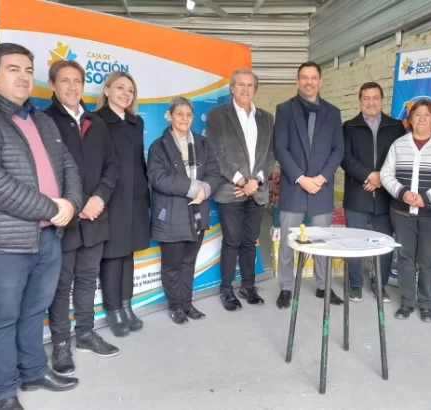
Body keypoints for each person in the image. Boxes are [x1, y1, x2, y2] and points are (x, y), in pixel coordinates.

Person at [0, 43, 83, 410]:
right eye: (13, 69)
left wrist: (72, 203)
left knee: (34, 311)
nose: (23, 77)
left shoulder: (40, 119)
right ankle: (3, 392)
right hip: (1, 244)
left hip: (47, 236)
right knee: (1, 318)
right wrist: (51, 208)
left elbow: (68, 166)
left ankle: (34, 371)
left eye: (28, 70)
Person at [44, 60, 120, 377]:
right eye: (65, 81)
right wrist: (78, 204)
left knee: (88, 278)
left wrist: (99, 198)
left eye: (77, 81)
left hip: (96, 216)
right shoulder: (44, 121)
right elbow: (45, 174)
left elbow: (112, 165)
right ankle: (61, 344)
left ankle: (86, 334)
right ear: (52, 85)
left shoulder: (95, 122)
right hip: (64, 219)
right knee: (62, 285)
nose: (73, 87)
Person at [272, 61, 345, 309]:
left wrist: (322, 177)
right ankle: (285, 287)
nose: (309, 82)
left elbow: (338, 149)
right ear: (297, 81)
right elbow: (280, 148)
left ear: (320, 81)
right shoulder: (284, 110)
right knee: (288, 241)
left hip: (321, 188)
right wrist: (301, 178)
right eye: (304, 77)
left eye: (313, 78)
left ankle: (323, 286)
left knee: (322, 240)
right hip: (294, 186)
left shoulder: (333, 112)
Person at [380, 99, 431, 322]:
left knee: (428, 259)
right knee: (405, 257)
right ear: (410, 119)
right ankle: (407, 302)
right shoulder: (399, 144)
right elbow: (386, 174)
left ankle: (426, 303)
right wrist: (403, 193)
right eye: (417, 114)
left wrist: (427, 198)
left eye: (427, 115)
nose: (421, 119)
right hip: (402, 213)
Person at [147, 96, 220, 324]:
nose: (185, 119)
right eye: (179, 114)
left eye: (189, 115)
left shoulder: (202, 143)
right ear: (169, 116)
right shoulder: (158, 146)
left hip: (197, 213)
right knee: (172, 266)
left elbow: (214, 172)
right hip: (171, 215)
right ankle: (175, 306)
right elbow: (158, 178)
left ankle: (187, 304)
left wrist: (205, 190)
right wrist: (193, 188)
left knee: (189, 262)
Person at [208, 69, 275, 311]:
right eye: (240, 85)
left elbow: (271, 154)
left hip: (257, 190)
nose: (245, 89)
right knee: (232, 241)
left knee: (249, 242)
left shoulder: (266, 118)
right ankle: (226, 290)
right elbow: (217, 154)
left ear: (254, 89)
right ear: (232, 88)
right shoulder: (218, 115)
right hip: (231, 191)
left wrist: (256, 180)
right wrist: (241, 181)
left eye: (249, 85)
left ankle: (248, 286)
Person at [94, 72, 151, 337]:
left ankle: (127, 306)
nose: (126, 94)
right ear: (107, 90)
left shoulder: (136, 122)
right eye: (120, 88)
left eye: (130, 90)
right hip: (111, 198)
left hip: (135, 197)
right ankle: (114, 310)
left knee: (128, 254)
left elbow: (139, 161)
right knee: (112, 255)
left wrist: (145, 193)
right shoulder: (95, 120)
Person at [341, 82, 405, 303]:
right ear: (360, 101)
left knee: (384, 244)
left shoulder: (396, 126)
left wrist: (380, 179)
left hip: (386, 197)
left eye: (375, 98)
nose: (371, 102)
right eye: (366, 98)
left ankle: (380, 284)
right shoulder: (349, 126)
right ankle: (355, 284)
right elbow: (346, 159)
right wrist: (369, 176)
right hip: (357, 195)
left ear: (382, 100)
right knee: (354, 243)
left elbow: (400, 158)